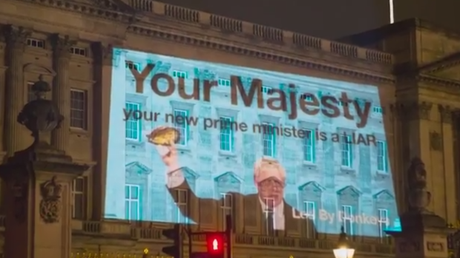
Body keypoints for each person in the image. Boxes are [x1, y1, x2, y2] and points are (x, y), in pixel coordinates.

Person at [155, 135, 317, 235]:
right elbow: (192, 207)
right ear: (256, 183)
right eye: (267, 182)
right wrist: (173, 165)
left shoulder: (304, 222)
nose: (274, 188)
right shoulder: (236, 205)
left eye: (278, 183)